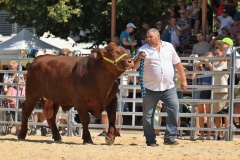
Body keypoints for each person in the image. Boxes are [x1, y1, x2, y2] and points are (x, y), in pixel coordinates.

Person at [132, 28, 187, 146]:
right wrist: (139, 58)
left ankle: (170, 136)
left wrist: (184, 79)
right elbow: (135, 66)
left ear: (158, 36)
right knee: (148, 115)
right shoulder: (142, 49)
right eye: (147, 37)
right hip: (150, 88)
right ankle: (150, 139)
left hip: (169, 86)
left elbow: (178, 64)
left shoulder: (169, 47)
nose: (148, 39)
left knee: (174, 109)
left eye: (151, 36)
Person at [207, 44, 228, 140]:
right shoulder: (214, 62)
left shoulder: (224, 63)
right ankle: (219, 134)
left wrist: (209, 64)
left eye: (218, 53)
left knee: (224, 113)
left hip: (222, 90)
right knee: (217, 113)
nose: (216, 55)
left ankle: (227, 133)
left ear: (222, 53)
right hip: (215, 90)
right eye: (215, 53)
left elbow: (216, 71)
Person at [191, 52, 214, 140]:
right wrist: (196, 68)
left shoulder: (211, 67)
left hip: (208, 89)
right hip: (200, 90)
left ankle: (208, 134)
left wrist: (203, 64)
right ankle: (201, 133)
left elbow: (209, 73)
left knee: (208, 113)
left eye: (208, 58)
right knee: (200, 113)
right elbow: (193, 77)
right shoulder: (201, 67)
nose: (206, 60)